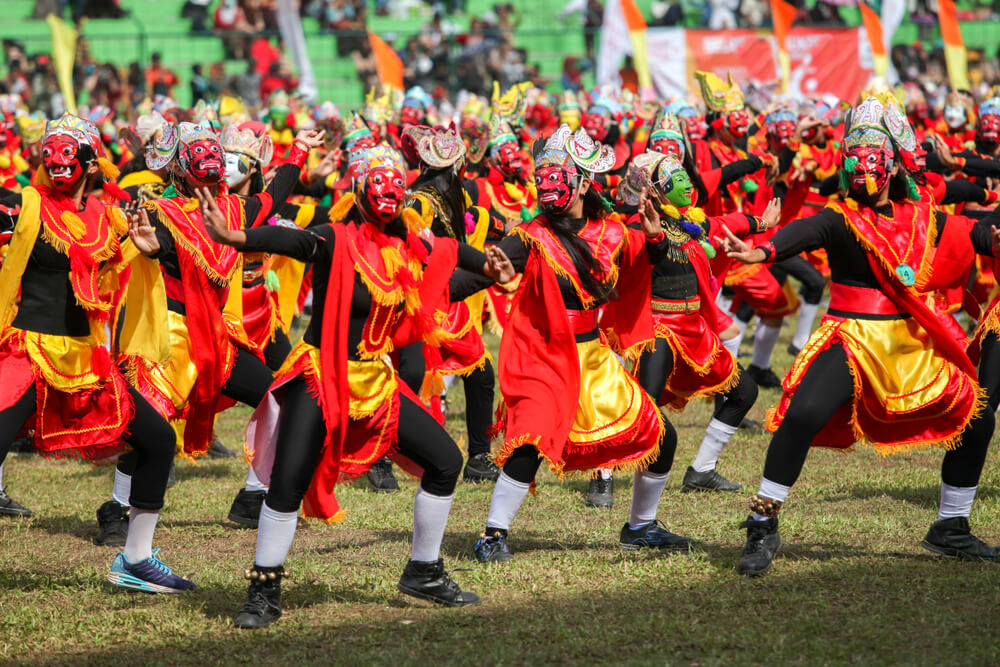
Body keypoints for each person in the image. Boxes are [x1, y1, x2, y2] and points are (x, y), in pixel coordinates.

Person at [201, 144, 509, 627]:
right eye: (377, 191)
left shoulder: (409, 241)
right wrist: (235, 236)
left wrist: (491, 269)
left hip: (374, 379)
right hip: (322, 376)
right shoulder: (337, 238)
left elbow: (451, 253)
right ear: (361, 193)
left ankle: (423, 570)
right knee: (287, 481)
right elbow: (296, 242)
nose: (388, 203)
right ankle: (263, 589)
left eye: (394, 194)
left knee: (446, 462)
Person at [718, 95, 999, 576]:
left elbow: (975, 233)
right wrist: (761, 252)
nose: (865, 167)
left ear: (890, 165)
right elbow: (802, 232)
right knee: (802, 414)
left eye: (874, 158)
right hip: (851, 337)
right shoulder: (841, 215)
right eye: (857, 158)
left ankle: (950, 526)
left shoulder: (920, 216)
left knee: (975, 415)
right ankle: (762, 523)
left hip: (909, 343)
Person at [466, 125, 683, 563]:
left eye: (558, 175)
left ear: (585, 182)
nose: (549, 184)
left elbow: (652, 261)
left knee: (661, 435)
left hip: (593, 356)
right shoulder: (529, 236)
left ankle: (640, 526)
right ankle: (492, 535)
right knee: (530, 440)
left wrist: (657, 235)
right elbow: (486, 269)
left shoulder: (614, 233)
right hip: (544, 354)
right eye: (543, 176)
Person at [0, 113, 194, 592]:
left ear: (89, 164)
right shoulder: (25, 205)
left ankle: (136, 559)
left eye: (68, 153)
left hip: (88, 360)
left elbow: (136, 261)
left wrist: (151, 249)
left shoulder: (109, 218)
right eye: (51, 153)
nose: (56, 163)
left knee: (159, 441)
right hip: (30, 353)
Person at [616, 152, 773, 495]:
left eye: (686, 177)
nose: (687, 183)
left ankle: (702, 469)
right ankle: (604, 476)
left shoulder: (693, 223)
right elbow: (618, 246)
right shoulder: (638, 227)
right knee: (641, 407)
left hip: (695, 330)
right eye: (677, 180)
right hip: (658, 329)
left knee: (744, 392)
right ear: (656, 192)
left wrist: (762, 221)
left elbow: (729, 222)